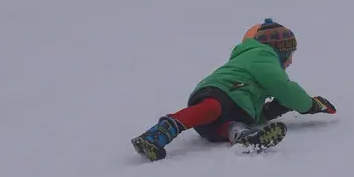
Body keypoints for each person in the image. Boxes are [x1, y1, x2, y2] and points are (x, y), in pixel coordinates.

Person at [131, 18, 337, 161]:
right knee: (212, 108)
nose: (291, 62)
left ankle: (244, 137)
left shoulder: (253, 59)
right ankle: (157, 134)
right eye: (291, 55)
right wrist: (310, 105)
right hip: (221, 91)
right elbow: (283, 87)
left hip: (225, 115)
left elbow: (260, 104)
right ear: (279, 49)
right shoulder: (261, 55)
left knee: (233, 123)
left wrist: (271, 111)